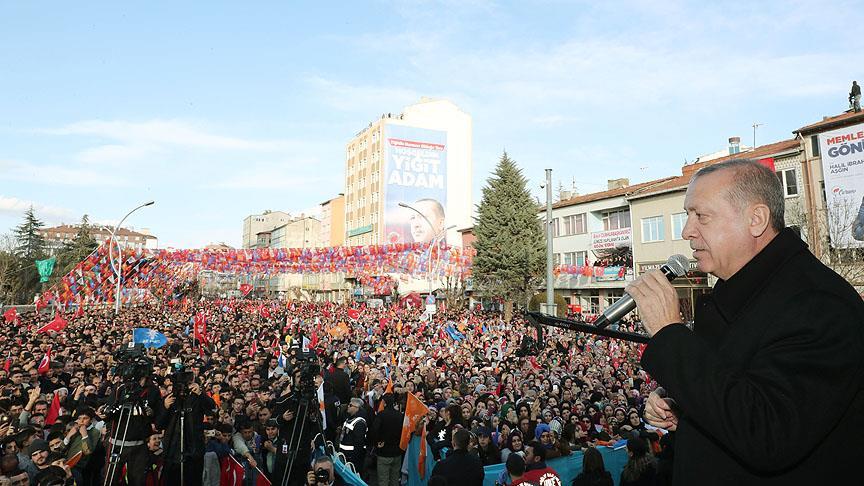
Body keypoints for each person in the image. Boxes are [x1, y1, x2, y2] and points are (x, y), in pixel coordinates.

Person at [628, 159, 864, 484]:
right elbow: (739, 395)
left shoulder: (818, 303)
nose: (687, 231)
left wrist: (671, 335)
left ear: (756, 219)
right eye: (687, 216)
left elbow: (768, 433)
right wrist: (687, 410)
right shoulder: (740, 292)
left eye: (702, 216)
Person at [370, 394, 403, 486]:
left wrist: (376, 443)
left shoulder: (381, 415)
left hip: (384, 452)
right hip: (397, 452)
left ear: (384, 403)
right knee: (395, 479)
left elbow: (374, 431)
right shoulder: (400, 415)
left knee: (383, 480)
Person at [338, 398, 367, 475]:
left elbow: (359, 443)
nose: (348, 406)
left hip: (351, 458)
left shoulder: (359, 423)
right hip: (345, 456)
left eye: (350, 405)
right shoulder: (349, 418)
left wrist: (353, 459)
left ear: (357, 408)